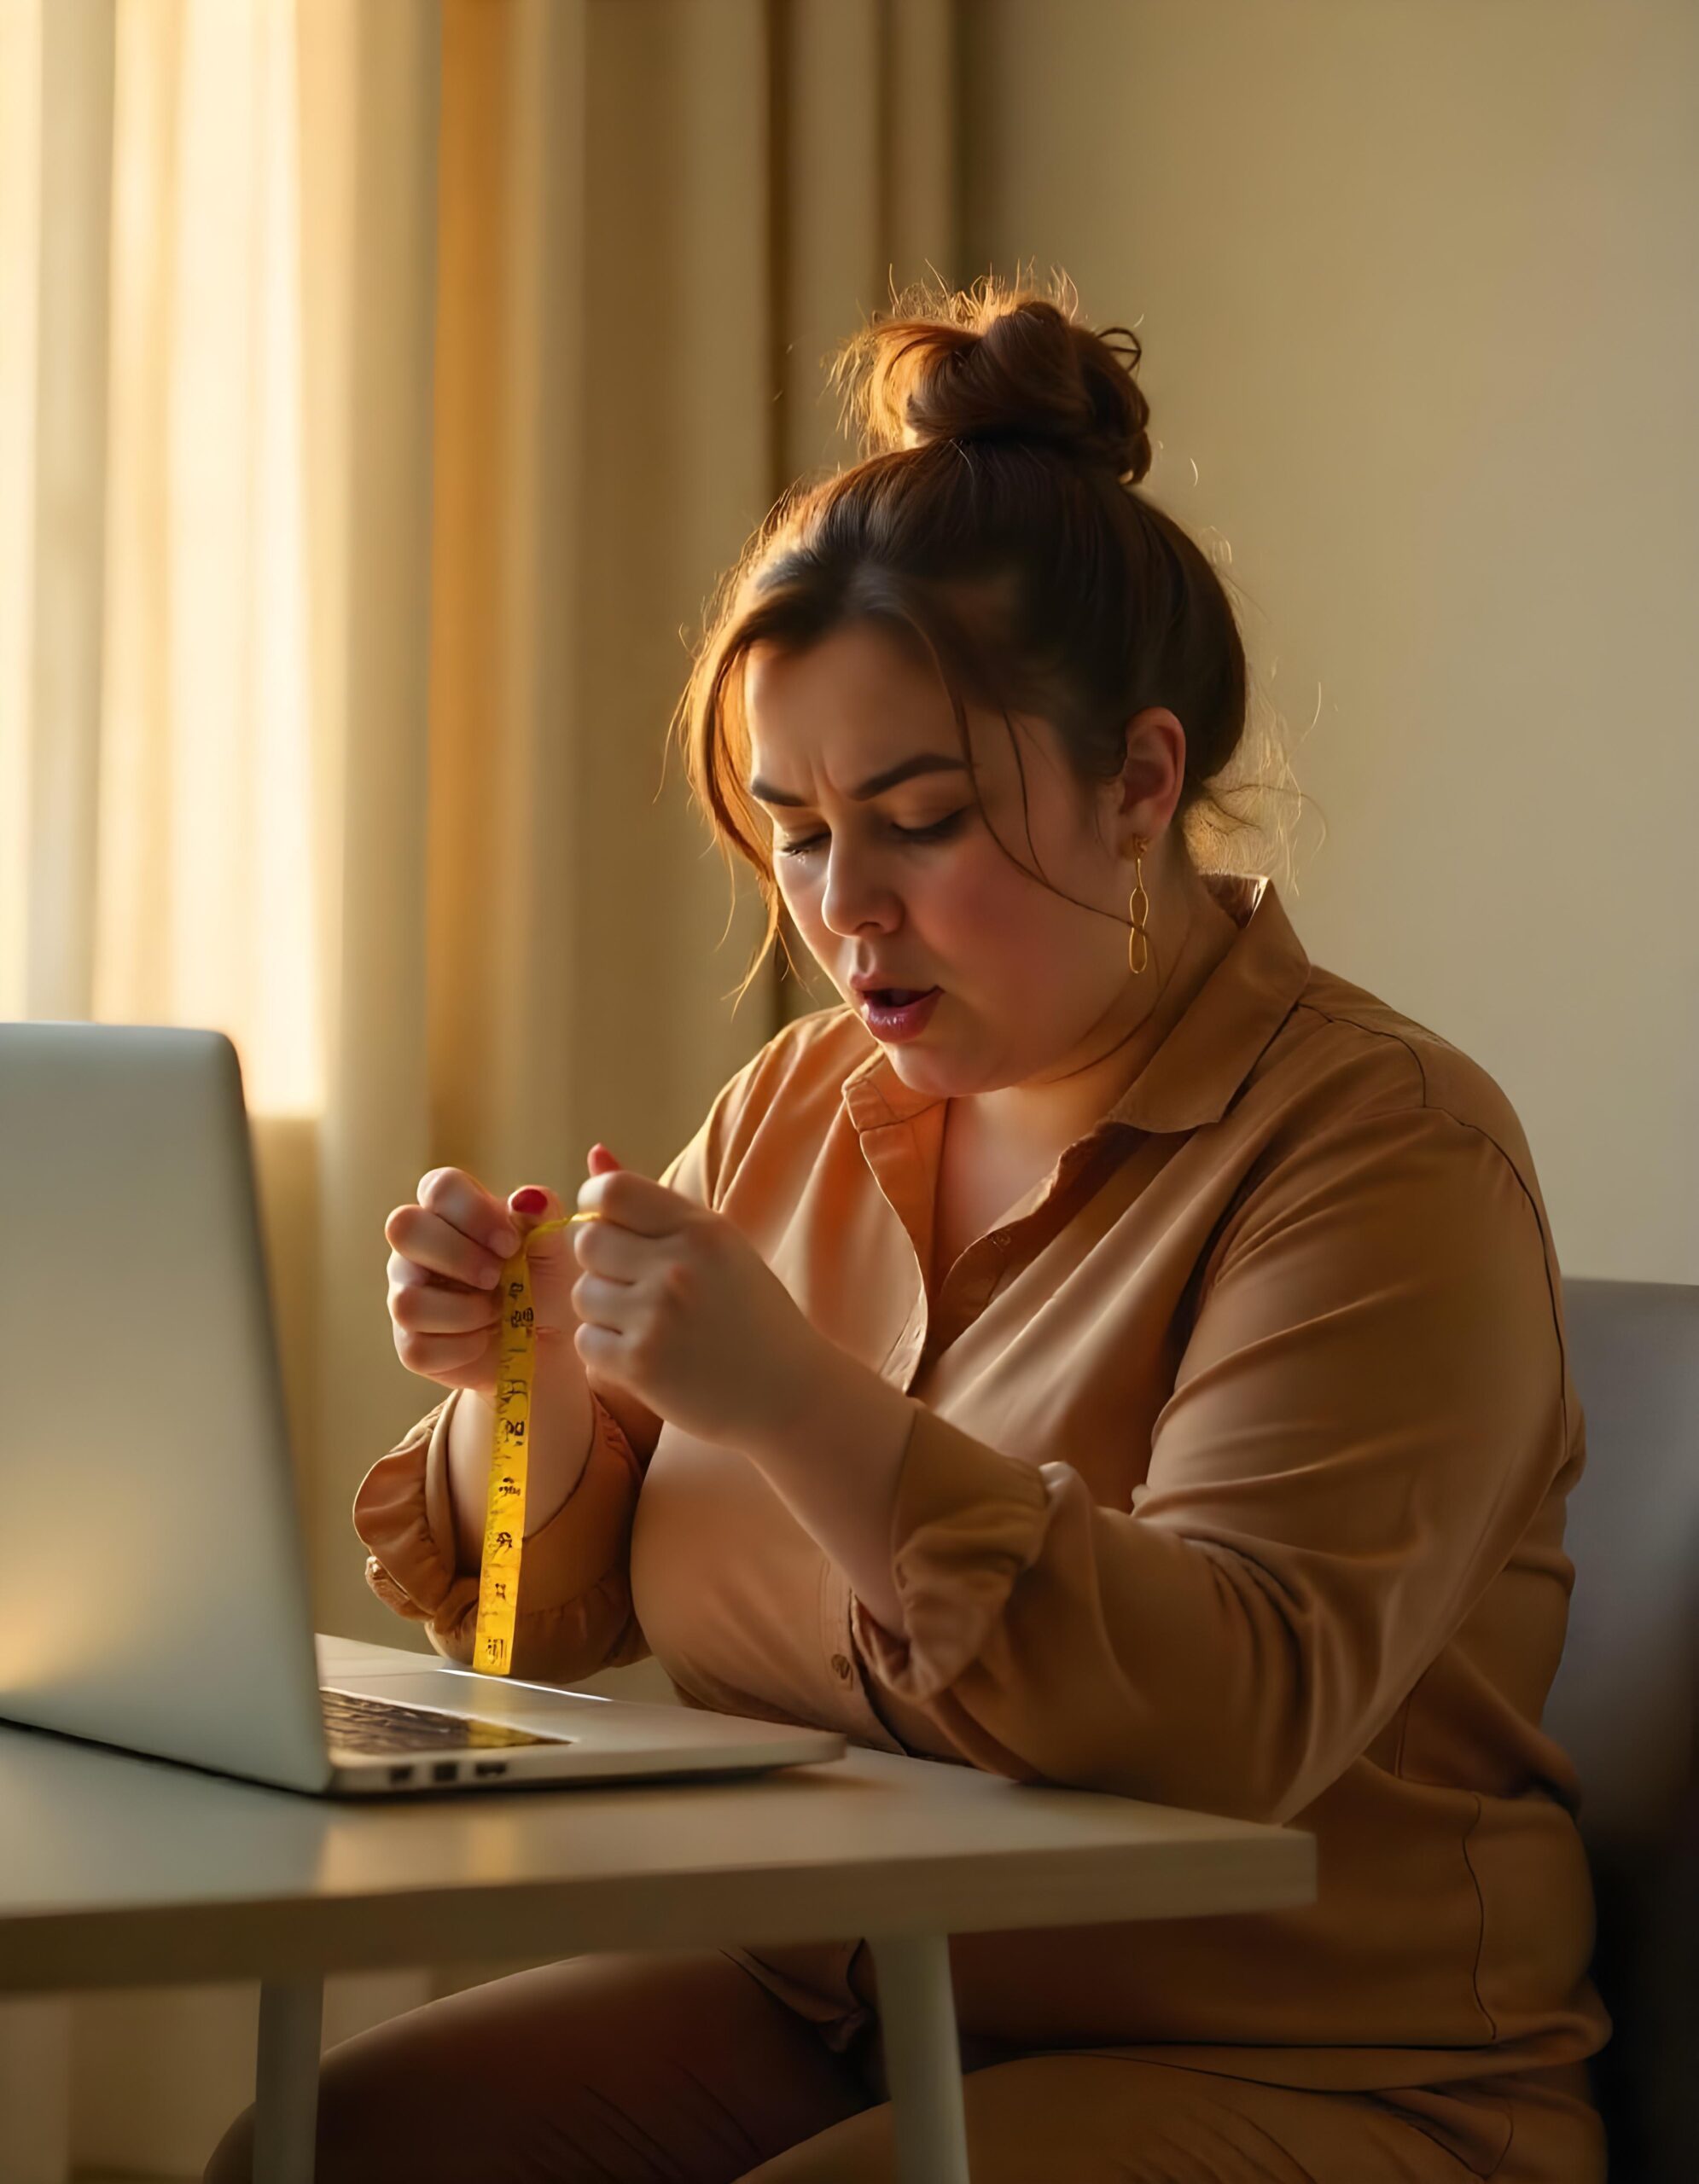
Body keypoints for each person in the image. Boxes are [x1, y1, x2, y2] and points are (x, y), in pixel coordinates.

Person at [206, 274, 1610, 2181]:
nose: (842, 906)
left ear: (1141, 782)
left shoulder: (1383, 1151)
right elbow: (554, 1614)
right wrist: (501, 1374)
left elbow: (1230, 1711)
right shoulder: (796, 1107)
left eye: (921, 817)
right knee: (334, 2138)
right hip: (861, 2003)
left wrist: (793, 1402)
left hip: (1325, 2073)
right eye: (793, 828)